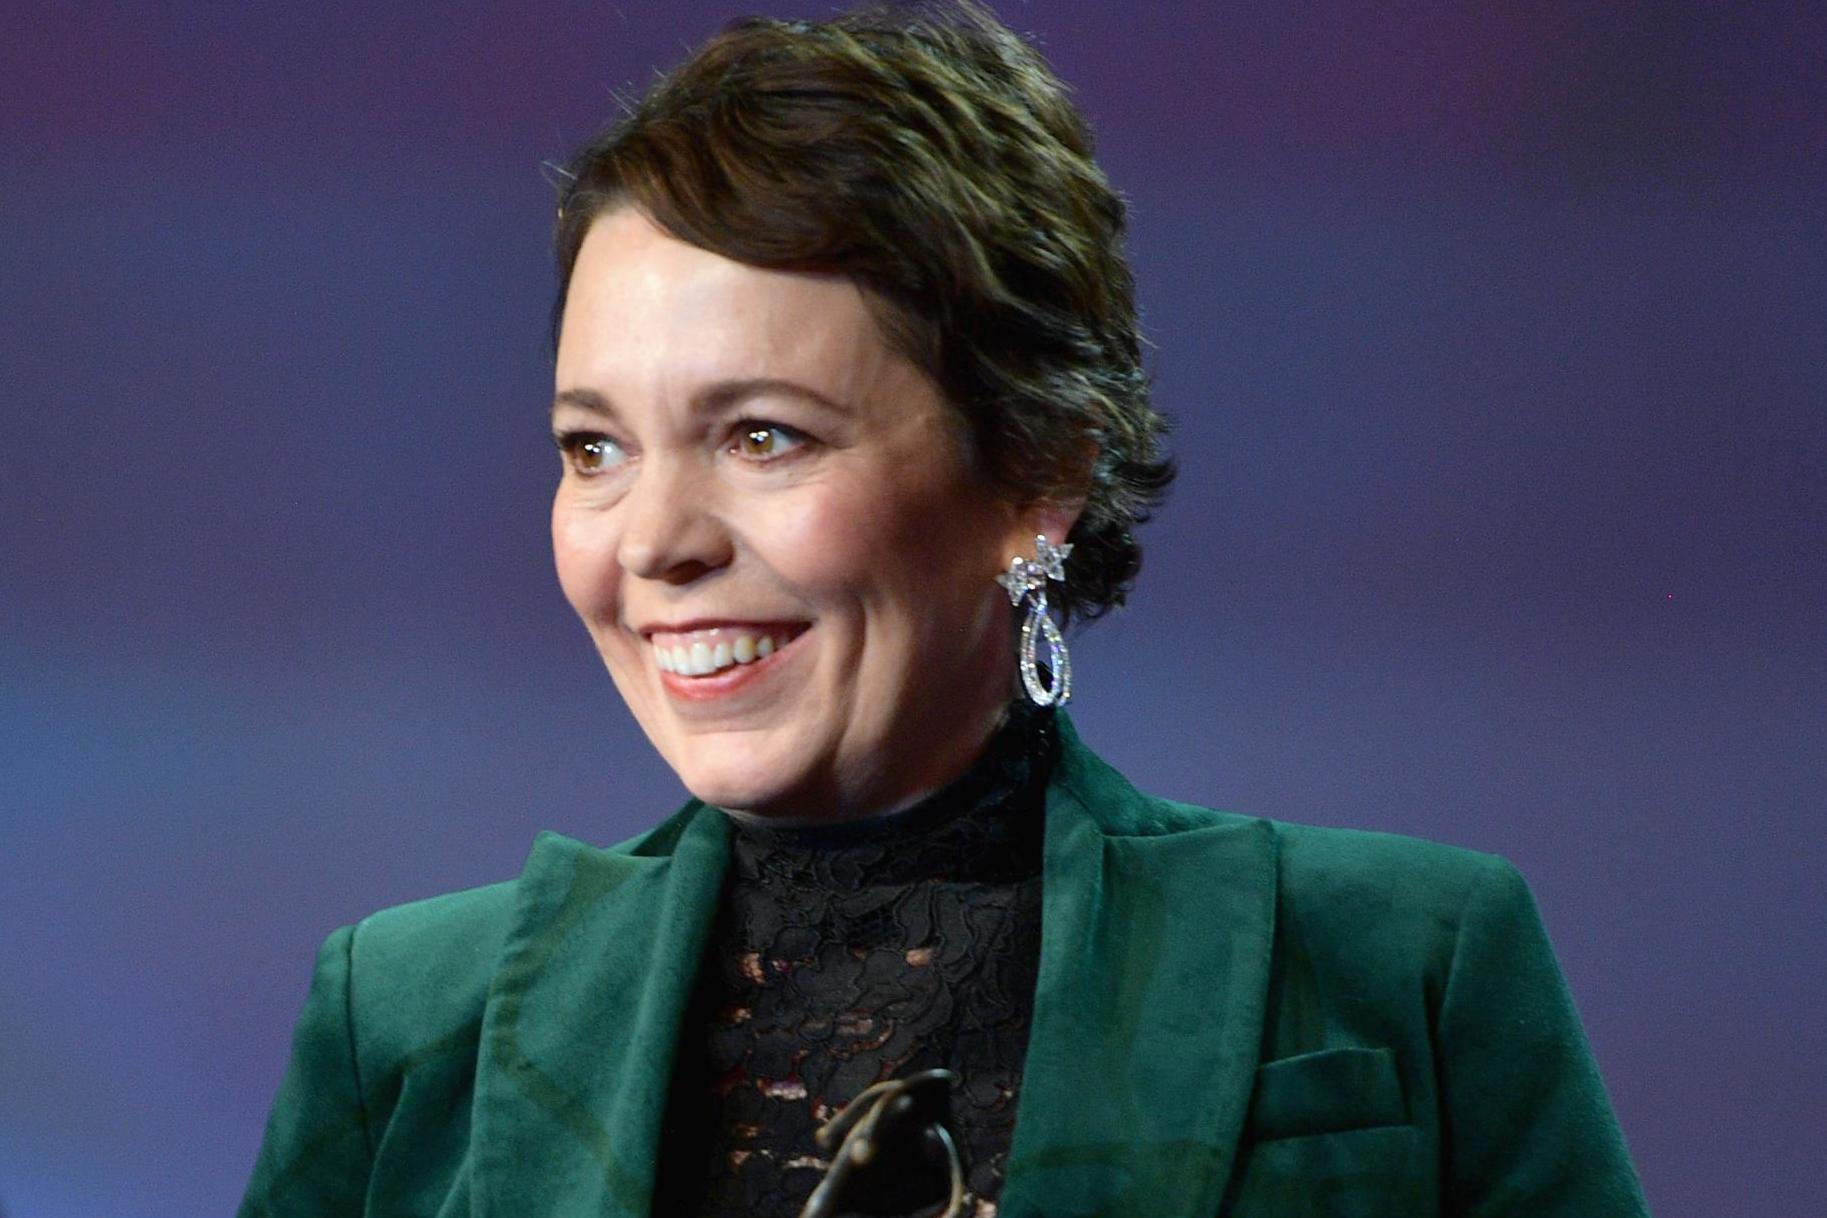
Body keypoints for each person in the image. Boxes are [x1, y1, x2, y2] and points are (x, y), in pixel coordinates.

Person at [238, 4, 1649, 1216]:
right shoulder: (409, 1023)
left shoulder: (1402, 965)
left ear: (1034, 478)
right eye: (594, 447)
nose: (654, 541)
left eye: (763, 435)